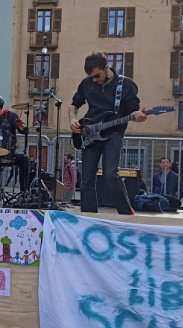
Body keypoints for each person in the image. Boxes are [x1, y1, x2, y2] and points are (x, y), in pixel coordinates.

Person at [68, 52, 147, 214]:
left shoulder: (126, 85)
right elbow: (74, 105)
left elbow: (135, 111)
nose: (95, 80)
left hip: (114, 134)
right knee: (87, 179)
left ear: (106, 68)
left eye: (97, 76)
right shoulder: (87, 83)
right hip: (90, 133)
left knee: (110, 174)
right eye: (91, 77)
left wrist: (139, 117)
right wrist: (72, 119)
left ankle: (126, 213)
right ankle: (88, 216)